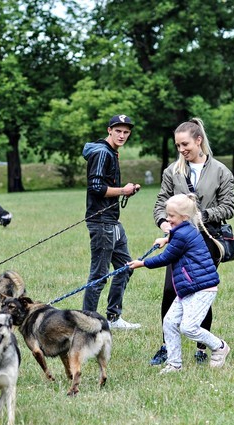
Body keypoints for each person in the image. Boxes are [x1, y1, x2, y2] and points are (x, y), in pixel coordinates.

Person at [148, 118, 234, 366]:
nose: (181, 150)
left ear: (199, 141)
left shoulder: (221, 171)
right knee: (170, 290)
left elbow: (229, 207)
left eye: (185, 144)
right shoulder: (172, 172)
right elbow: (159, 204)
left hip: (207, 240)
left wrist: (201, 216)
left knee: (200, 291)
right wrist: (164, 223)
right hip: (179, 240)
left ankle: (202, 347)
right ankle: (167, 346)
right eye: (177, 145)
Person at [128, 193, 230, 374]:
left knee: (188, 327)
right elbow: (177, 237)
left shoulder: (183, 233)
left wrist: (141, 263)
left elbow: (166, 257)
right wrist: (166, 239)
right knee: (169, 322)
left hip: (202, 289)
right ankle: (174, 364)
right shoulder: (186, 229)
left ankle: (220, 346)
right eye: (167, 215)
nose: (167, 219)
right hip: (188, 287)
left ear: (184, 217)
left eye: (171, 216)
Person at [82, 114, 142, 330]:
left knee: (125, 268)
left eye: (126, 132)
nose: (122, 135)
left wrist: (126, 191)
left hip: (113, 221)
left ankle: (114, 318)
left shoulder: (111, 152)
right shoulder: (101, 153)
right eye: (118, 131)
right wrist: (122, 190)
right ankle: (86, 322)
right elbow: (95, 187)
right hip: (101, 222)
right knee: (98, 275)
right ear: (109, 130)